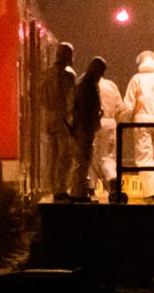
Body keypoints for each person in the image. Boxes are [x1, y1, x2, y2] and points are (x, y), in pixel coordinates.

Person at [119, 50, 154, 201]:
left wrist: (121, 121)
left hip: (142, 120)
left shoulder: (136, 79)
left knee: (144, 154)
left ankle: (149, 191)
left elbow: (129, 105)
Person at [39, 42, 76, 201]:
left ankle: (52, 186)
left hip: (49, 119)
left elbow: (40, 97)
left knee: (53, 156)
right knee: (65, 156)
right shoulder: (68, 74)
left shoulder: (46, 74)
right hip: (63, 120)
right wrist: (73, 119)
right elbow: (71, 100)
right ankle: (61, 188)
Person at [68, 56, 105, 202]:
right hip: (84, 127)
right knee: (82, 160)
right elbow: (84, 108)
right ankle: (78, 192)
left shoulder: (84, 82)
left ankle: (78, 190)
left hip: (83, 126)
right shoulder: (87, 85)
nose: (102, 75)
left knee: (82, 159)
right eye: (101, 71)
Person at [90, 57, 126, 198]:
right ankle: (112, 180)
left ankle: (90, 188)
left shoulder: (87, 85)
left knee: (90, 157)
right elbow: (120, 108)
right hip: (110, 124)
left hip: (92, 124)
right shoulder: (111, 86)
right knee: (108, 157)